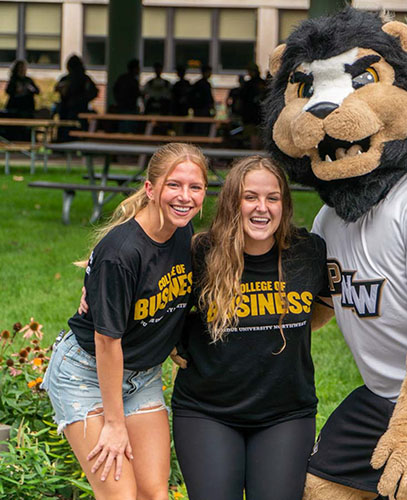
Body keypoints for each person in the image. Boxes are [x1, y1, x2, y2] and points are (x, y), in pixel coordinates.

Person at [41, 143, 209, 500]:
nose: (185, 196)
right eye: (174, 185)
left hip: (142, 374)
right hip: (86, 374)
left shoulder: (180, 230)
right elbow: (107, 341)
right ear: (150, 189)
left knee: (153, 493)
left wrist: (176, 340)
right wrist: (114, 424)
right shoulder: (121, 253)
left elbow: (173, 294)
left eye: (195, 187)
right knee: (120, 495)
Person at [169, 156, 330, 500]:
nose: (262, 208)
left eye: (272, 198)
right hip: (207, 412)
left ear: (284, 205)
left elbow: (336, 299)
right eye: (250, 197)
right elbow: (144, 278)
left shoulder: (309, 252)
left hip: (285, 414)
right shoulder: (198, 253)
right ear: (231, 203)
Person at [55, 54, 98, 141]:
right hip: (81, 109)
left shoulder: (65, 79)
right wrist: (84, 99)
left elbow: (58, 89)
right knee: (79, 130)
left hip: (66, 110)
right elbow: (94, 92)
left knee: (65, 131)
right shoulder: (85, 78)